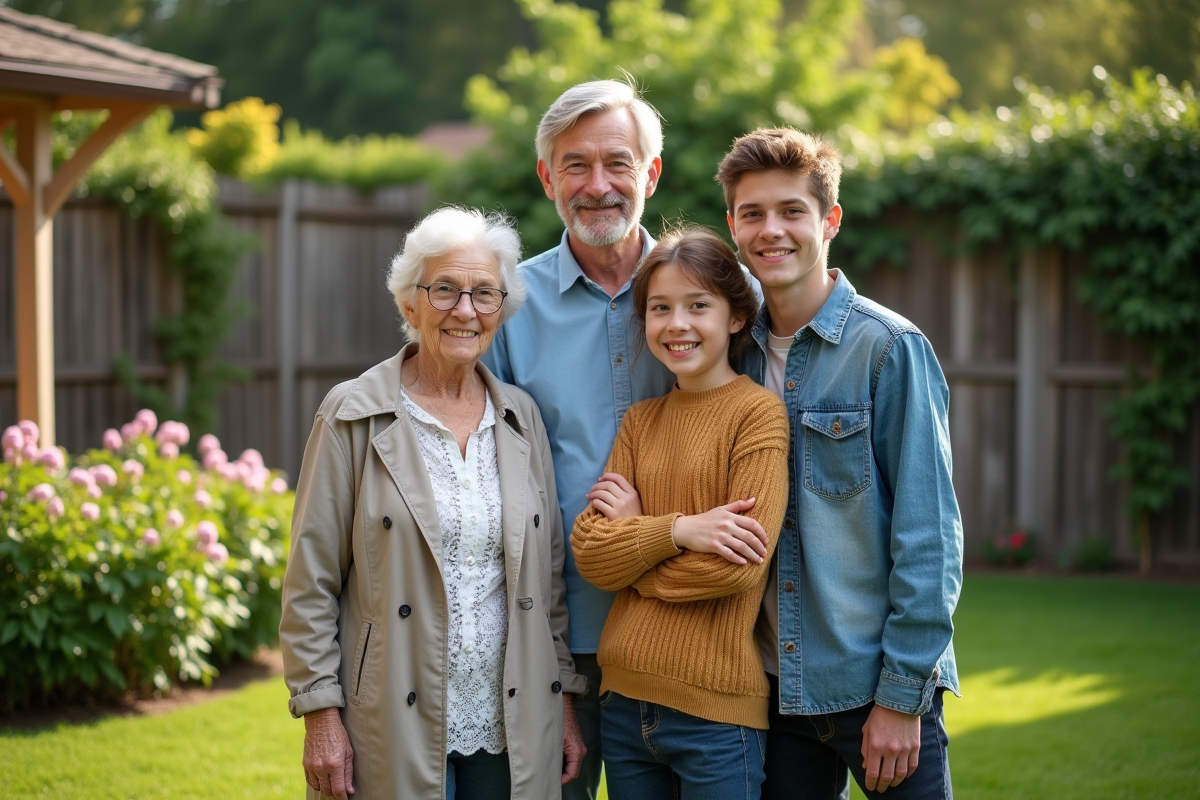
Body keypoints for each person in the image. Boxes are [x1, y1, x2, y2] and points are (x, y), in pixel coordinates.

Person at [279, 206, 587, 800]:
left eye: (483, 294)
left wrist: (564, 700)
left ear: (502, 309)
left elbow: (546, 585)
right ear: (409, 304)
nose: (464, 310)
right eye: (444, 289)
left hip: (511, 715)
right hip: (392, 710)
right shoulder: (352, 413)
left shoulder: (520, 417)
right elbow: (310, 580)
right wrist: (319, 713)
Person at [716, 128, 963, 799]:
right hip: (770, 691)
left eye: (792, 211)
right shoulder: (727, 352)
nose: (772, 230)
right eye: (753, 213)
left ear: (829, 220)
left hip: (871, 687)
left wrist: (902, 697)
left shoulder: (888, 349)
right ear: (733, 225)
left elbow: (928, 535)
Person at [481, 79, 676, 800]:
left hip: (687, 629)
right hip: (551, 640)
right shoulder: (506, 308)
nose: (599, 186)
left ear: (651, 174)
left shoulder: (715, 296)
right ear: (547, 177)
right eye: (575, 165)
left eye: (618, 163)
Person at [570, 226, 790, 799]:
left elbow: (736, 567)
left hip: (716, 716)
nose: (678, 324)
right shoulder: (641, 422)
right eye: (660, 308)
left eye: (699, 306)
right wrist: (681, 530)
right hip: (621, 705)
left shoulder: (757, 416)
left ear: (736, 316)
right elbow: (591, 553)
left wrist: (636, 540)